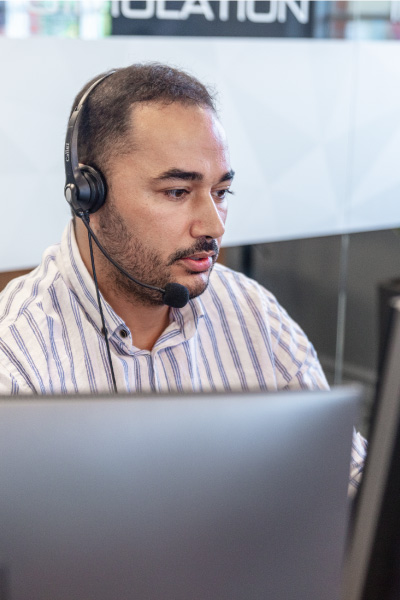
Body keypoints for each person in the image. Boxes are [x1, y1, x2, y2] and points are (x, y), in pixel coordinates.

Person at [0, 63, 365, 488]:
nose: (214, 226)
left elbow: (355, 485)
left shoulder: (253, 314)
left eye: (221, 192)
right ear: (88, 195)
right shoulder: (17, 358)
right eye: (177, 192)